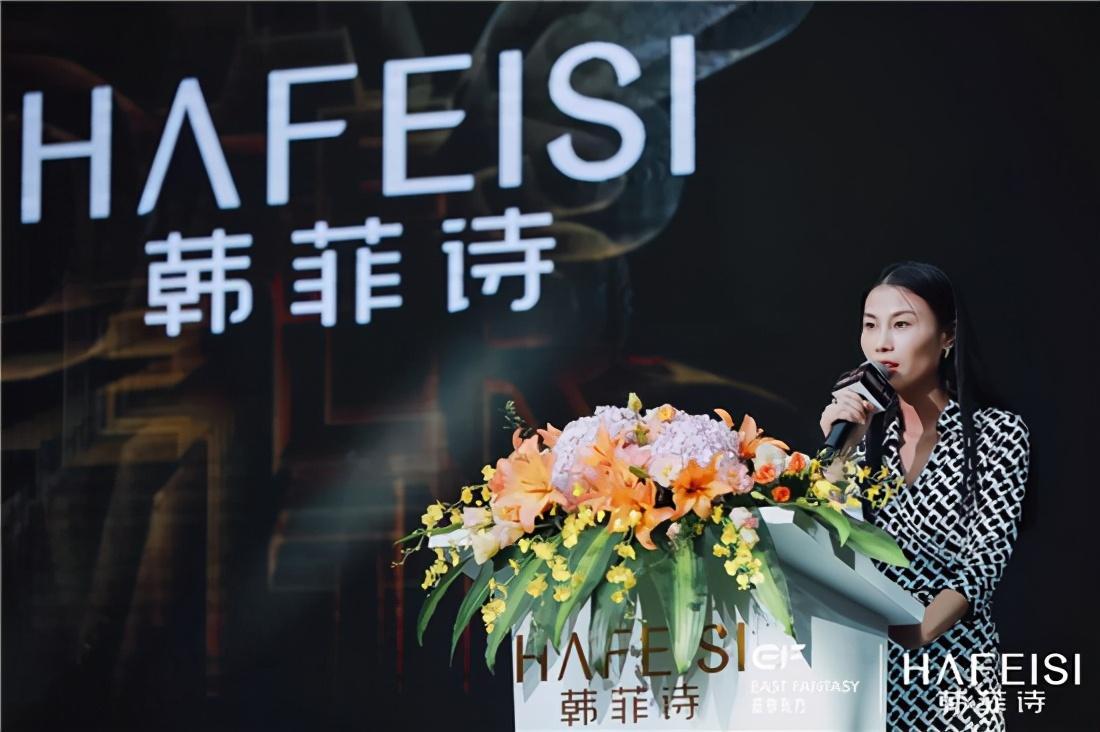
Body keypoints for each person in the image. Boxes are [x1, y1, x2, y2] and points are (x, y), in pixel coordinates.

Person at [818, 261, 1030, 731]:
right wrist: (841, 450)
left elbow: (982, 565)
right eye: (871, 325)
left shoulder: (996, 434)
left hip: (954, 666)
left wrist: (917, 631)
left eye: (901, 325)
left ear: (947, 336)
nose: (882, 343)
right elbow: (826, 541)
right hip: (867, 665)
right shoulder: (865, 440)